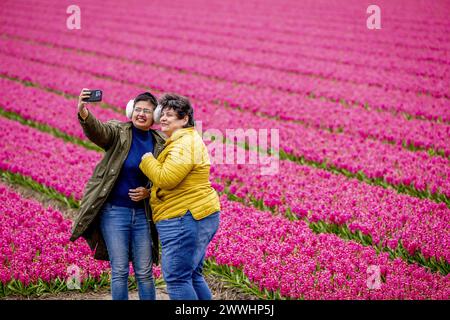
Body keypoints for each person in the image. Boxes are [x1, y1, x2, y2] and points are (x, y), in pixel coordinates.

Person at [70, 89, 166, 300]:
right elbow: (99, 131)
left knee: (145, 272)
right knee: (120, 270)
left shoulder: (160, 142)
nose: (141, 114)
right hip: (114, 213)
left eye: (147, 111)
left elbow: (166, 178)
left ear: (155, 117)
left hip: (142, 215)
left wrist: (149, 192)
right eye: (138, 109)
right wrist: (83, 112)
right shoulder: (119, 132)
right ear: (130, 111)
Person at [139, 93, 221, 300]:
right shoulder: (186, 140)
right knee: (192, 275)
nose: (163, 119)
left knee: (177, 279)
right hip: (197, 213)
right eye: (162, 114)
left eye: (170, 115)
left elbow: (167, 179)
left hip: (183, 217)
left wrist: (148, 159)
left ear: (185, 119)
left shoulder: (184, 143)